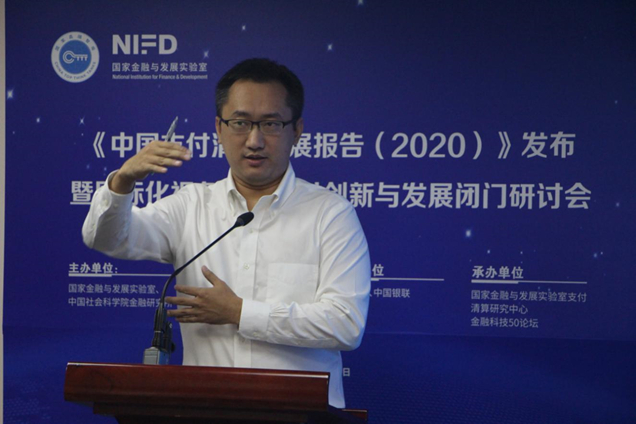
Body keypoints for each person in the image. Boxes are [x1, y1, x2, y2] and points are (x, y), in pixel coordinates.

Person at [82, 58, 370, 408]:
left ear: (296, 130)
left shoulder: (330, 214)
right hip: (205, 411)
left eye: (271, 124)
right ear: (218, 128)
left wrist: (240, 312)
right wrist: (123, 181)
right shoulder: (190, 206)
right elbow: (106, 239)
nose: (254, 140)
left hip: (302, 415)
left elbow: (345, 325)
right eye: (240, 123)